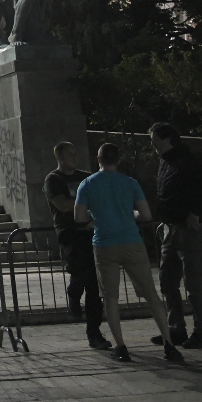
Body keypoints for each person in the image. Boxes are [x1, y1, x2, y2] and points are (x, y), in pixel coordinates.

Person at [74, 143, 183, 363]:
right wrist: (128, 213)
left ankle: (121, 346)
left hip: (104, 244)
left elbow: (78, 217)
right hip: (132, 242)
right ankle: (169, 345)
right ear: (118, 160)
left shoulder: (87, 184)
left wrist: (96, 219)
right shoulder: (130, 183)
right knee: (151, 295)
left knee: (111, 298)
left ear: (99, 159)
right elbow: (145, 214)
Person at [150, 122, 202, 349]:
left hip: (186, 228)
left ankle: (201, 331)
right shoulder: (167, 162)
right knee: (168, 280)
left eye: (154, 138)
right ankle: (176, 327)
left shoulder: (185, 161)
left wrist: (196, 213)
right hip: (171, 226)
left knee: (193, 283)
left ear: (166, 139)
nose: (152, 142)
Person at [44, 142, 110, 350]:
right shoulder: (53, 179)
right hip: (70, 233)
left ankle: (94, 332)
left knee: (93, 284)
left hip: (90, 232)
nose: (74, 157)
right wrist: (86, 204)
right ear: (60, 157)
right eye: (69, 154)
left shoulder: (86, 177)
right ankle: (73, 294)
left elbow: (100, 199)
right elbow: (62, 205)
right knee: (79, 273)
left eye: (75, 153)